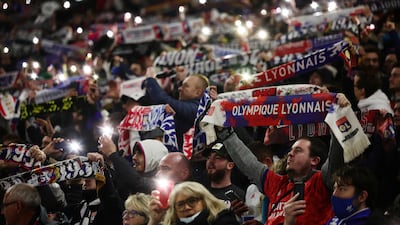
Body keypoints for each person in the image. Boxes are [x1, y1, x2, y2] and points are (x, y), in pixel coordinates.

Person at [213, 93, 351, 225]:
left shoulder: (322, 182)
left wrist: (337, 113)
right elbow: (247, 162)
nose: (290, 154)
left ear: (314, 160)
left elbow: (336, 155)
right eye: (291, 150)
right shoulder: (277, 183)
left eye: (298, 150)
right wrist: (225, 133)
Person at [143, 69, 209, 150]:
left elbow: (163, 100)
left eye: (185, 86)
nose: (180, 88)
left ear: (198, 93)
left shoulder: (197, 109)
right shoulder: (188, 105)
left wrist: (150, 80)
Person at [148, 181, 240, 225]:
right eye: (180, 204)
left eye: (192, 201)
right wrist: (154, 221)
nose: (186, 207)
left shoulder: (224, 222)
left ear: (205, 201)